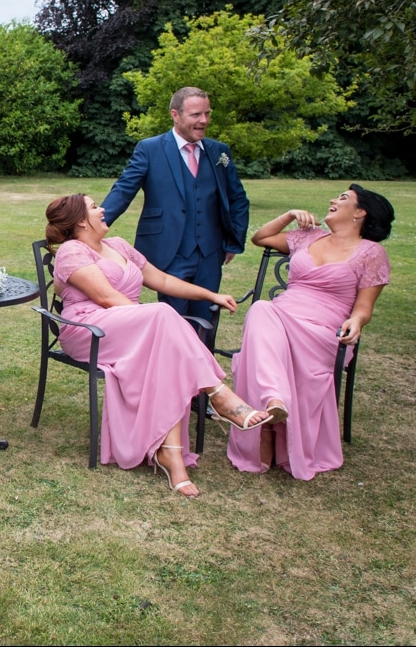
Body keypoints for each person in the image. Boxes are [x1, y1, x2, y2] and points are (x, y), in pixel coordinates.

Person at [45, 193, 282, 497]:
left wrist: (210, 295)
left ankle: (170, 454)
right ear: (80, 220)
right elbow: (105, 298)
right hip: (90, 330)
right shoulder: (71, 250)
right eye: (94, 207)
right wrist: (148, 320)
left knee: (167, 351)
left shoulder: (118, 245)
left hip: (132, 326)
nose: (102, 209)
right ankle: (218, 394)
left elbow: (163, 281)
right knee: (161, 315)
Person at [227, 185, 393, 480]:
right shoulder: (309, 237)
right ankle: (273, 402)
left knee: (262, 322)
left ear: (360, 212)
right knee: (263, 309)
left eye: (343, 198)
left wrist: (356, 322)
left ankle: (265, 422)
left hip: (323, 331)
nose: (332, 200)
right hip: (283, 316)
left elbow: (364, 307)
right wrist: (289, 214)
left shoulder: (372, 253)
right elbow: (260, 238)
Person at [101, 86, 250, 322]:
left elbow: (238, 198)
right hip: (169, 249)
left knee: (207, 316)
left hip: (210, 252)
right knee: (173, 319)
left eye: (207, 114)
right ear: (175, 114)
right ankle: (174, 359)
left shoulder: (219, 152)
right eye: (196, 115)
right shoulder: (150, 149)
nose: (203, 121)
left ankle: (203, 358)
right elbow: (123, 190)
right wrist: (96, 224)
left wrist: (233, 240)